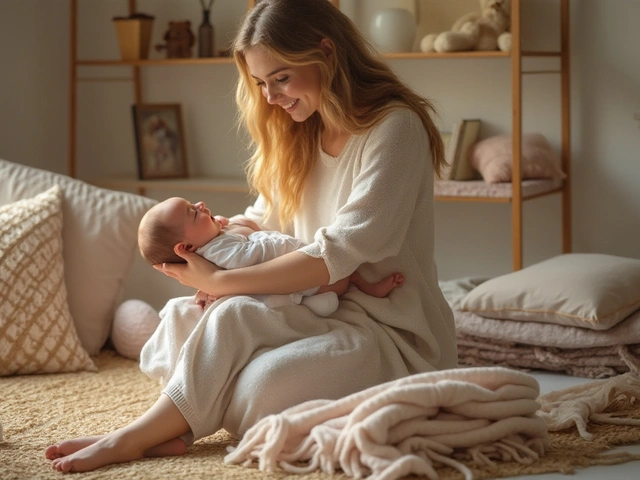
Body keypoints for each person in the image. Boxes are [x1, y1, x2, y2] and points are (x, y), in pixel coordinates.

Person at [46, 0, 456, 473]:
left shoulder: (394, 129)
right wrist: (211, 258)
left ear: (326, 52)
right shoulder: (301, 130)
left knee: (255, 386)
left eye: (280, 78)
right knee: (181, 318)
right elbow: (259, 219)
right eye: (261, 83)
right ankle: (167, 426)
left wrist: (223, 284)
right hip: (311, 309)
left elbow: (334, 256)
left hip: (388, 331)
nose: (270, 97)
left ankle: (143, 433)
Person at [137, 196, 405, 316]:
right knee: (346, 277)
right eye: (193, 213)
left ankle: (364, 288)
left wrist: (229, 225)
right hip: (302, 278)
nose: (201, 205)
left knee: (348, 272)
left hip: (302, 264)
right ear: (187, 248)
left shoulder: (215, 240)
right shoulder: (217, 253)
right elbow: (247, 256)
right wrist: (240, 229)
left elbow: (248, 227)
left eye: (192, 203)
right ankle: (365, 290)